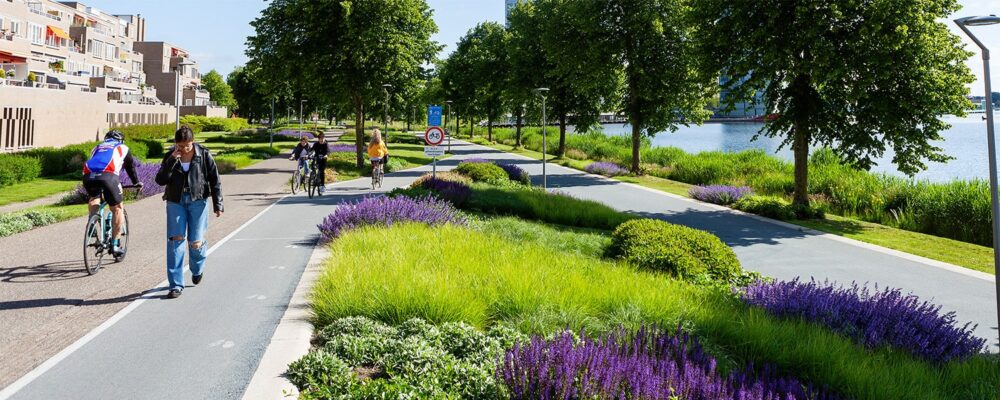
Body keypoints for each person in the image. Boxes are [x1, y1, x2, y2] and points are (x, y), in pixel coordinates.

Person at [154, 126, 224, 299]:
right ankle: (176, 285)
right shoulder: (171, 156)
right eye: (180, 145)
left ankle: (197, 267)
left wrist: (218, 203)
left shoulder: (204, 155)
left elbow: (214, 179)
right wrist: (171, 160)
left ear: (193, 142)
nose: (184, 149)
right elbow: (160, 180)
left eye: (187, 145)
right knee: (175, 241)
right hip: (175, 201)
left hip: (198, 202)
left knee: (195, 242)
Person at [82, 130, 142, 257]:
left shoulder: (97, 147)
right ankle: (115, 244)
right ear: (120, 140)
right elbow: (130, 167)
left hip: (88, 176)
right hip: (108, 176)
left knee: (94, 197)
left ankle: (91, 223)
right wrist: (136, 183)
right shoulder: (123, 147)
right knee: (117, 208)